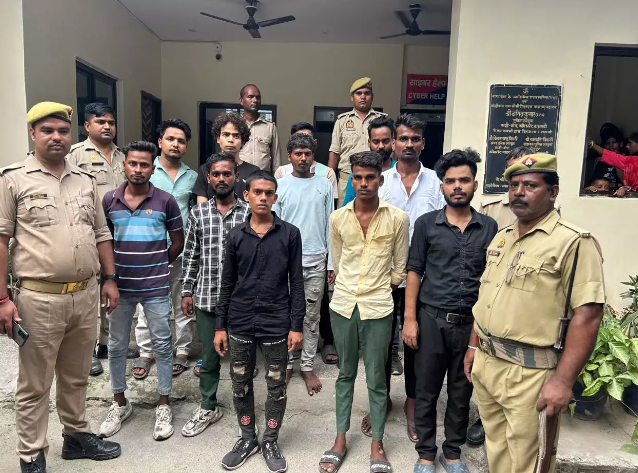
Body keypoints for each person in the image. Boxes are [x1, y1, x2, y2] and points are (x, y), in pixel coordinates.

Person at [0, 102, 121, 473]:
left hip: (84, 294)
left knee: (76, 375)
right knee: (35, 383)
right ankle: (31, 454)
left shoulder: (84, 179)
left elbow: (100, 232)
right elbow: (1, 240)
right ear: (33, 134)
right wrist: (2, 298)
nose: (57, 137)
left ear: (72, 134)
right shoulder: (13, 179)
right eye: (48, 131)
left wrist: (110, 278)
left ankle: (76, 436)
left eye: (63, 131)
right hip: (38, 298)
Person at [465, 154, 605, 473]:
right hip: (488, 364)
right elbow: (487, 297)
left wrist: (563, 382)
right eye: (514, 185)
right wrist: (474, 345)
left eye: (530, 185)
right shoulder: (503, 237)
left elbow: (588, 315)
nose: (519, 192)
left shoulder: (573, 242)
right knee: (497, 450)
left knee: (529, 461)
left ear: (553, 192)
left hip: (530, 373)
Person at [404, 149, 498, 473]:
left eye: (464, 180)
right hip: (431, 319)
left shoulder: (489, 228)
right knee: (426, 390)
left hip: (470, 326)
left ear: (475, 184)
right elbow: (414, 271)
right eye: (451, 181)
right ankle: (426, 454)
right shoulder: (426, 224)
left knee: (461, 391)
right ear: (442, 186)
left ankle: (452, 453)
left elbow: (490, 279)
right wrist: (410, 319)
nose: (457, 186)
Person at [319, 151, 409, 473]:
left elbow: (400, 267)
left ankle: (377, 444)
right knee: (345, 374)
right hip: (343, 305)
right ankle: (340, 439)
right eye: (357, 177)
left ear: (380, 180)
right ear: (352, 180)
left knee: (376, 378)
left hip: (379, 306)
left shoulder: (397, 218)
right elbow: (337, 259)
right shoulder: (338, 218)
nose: (363, 183)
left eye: (370, 177)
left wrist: (380, 287)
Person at [360, 114, 445, 442]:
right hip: (384, 277)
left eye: (415, 139)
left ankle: (412, 402)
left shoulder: (436, 182)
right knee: (380, 345)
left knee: (416, 343)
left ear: (423, 143)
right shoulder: (380, 181)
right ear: (393, 143)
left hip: (424, 279)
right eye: (403, 139)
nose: (409, 144)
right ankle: (380, 401)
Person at [214, 171, 304, 472]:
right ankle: (247, 437)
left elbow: (297, 283)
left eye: (268, 193)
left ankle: (270, 440)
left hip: (276, 321)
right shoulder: (236, 235)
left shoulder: (290, 234)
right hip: (240, 321)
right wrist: (220, 326)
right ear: (247, 196)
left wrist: (296, 326)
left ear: (275, 198)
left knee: (277, 384)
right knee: (240, 383)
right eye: (257, 192)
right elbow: (227, 282)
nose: (263, 197)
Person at [99, 141, 184, 441]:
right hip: (119, 288)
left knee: (162, 345)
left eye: (144, 165)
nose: (138, 169)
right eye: (133, 164)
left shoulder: (165, 201)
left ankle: (164, 404)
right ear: (124, 165)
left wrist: (157, 263)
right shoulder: (109, 200)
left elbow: (177, 241)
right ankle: (120, 402)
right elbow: (104, 241)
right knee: (117, 346)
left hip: (155, 287)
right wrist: (109, 277)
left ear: (152, 167)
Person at [180, 152, 250, 437]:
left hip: (242, 301)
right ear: (208, 178)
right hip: (207, 297)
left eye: (227, 174)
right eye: (216, 174)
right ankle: (208, 406)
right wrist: (187, 290)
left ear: (236, 177)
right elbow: (191, 255)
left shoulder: (249, 213)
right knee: (209, 358)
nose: (222, 179)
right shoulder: (198, 214)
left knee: (244, 360)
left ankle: (246, 410)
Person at [67, 102, 128, 376]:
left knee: (111, 285)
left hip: (118, 232)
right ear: (87, 126)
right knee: (91, 290)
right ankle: (89, 350)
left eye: (111, 122)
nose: (107, 126)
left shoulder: (122, 155)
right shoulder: (75, 155)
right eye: (100, 122)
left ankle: (106, 343)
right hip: (90, 232)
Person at [133, 119, 197, 379]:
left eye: (181, 141)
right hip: (150, 251)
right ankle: (146, 352)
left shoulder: (192, 176)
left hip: (181, 251)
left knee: (183, 303)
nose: (176, 144)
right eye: (170, 139)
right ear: (160, 142)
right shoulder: (147, 171)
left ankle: (182, 350)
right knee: (146, 305)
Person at [273, 134, 333, 395]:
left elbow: (330, 224)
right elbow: (275, 226)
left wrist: (331, 263)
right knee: (286, 315)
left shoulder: (324, 184)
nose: (303, 158)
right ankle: (287, 364)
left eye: (307, 153)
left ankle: (307, 366)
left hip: (316, 259)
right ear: (290, 157)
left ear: (313, 156)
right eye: (298, 153)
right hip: (286, 263)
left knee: (311, 316)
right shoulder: (281, 185)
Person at [328, 77, 387, 207]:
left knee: (375, 213)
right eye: (358, 93)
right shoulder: (342, 121)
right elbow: (334, 152)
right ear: (352, 97)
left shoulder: (382, 120)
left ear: (372, 97)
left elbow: (390, 150)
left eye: (367, 93)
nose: (363, 97)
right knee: (345, 215)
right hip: (346, 179)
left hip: (374, 179)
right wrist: (328, 181)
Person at [193, 111, 259, 205]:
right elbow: (201, 208)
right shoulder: (205, 169)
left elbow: (256, 205)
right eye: (226, 134)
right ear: (218, 138)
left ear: (243, 141)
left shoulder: (253, 171)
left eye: (236, 136)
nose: (230, 140)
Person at [274, 122, 339, 206]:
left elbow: (331, 206)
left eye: (307, 138)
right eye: (298, 138)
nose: (303, 141)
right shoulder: (281, 172)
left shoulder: (327, 173)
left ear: (315, 142)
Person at [342, 116, 397, 207]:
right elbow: (348, 209)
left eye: (385, 141)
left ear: (393, 141)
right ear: (369, 142)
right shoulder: (357, 174)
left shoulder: (399, 173)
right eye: (376, 142)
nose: (381, 146)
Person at [479, 146, 533, 230]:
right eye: (512, 169)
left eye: (522, 168)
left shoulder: (545, 208)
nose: (517, 173)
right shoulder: (489, 208)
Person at [238, 84, 282, 172]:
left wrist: (277, 178)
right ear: (241, 101)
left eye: (258, 97)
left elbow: (276, 159)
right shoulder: (234, 126)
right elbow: (227, 154)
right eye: (250, 97)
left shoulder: (270, 127)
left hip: (263, 178)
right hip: (239, 177)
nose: (255, 100)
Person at [589, 131, 638, 196]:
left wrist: (591, 143)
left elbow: (610, 156)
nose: (627, 146)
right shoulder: (630, 159)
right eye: (607, 143)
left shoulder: (630, 160)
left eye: (630, 143)